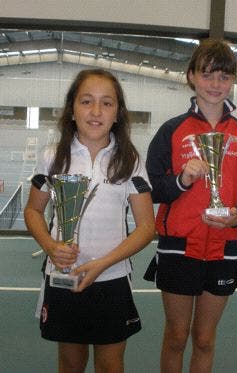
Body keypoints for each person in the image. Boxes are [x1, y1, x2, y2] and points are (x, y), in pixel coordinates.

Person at [144, 38, 237, 373]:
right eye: (208, 74)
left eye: (224, 77)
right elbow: (151, 189)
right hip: (178, 249)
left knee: (204, 339)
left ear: (233, 82)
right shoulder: (171, 131)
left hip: (223, 249)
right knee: (176, 336)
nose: (215, 84)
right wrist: (182, 180)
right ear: (191, 76)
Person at [24, 68, 155, 373]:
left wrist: (103, 264)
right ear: (72, 109)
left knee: (110, 364)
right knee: (70, 363)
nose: (96, 111)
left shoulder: (130, 160)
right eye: (86, 101)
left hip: (112, 279)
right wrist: (50, 245)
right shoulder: (52, 156)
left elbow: (147, 227)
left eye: (107, 103)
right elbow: (33, 211)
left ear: (118, 113)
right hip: (64, 277)